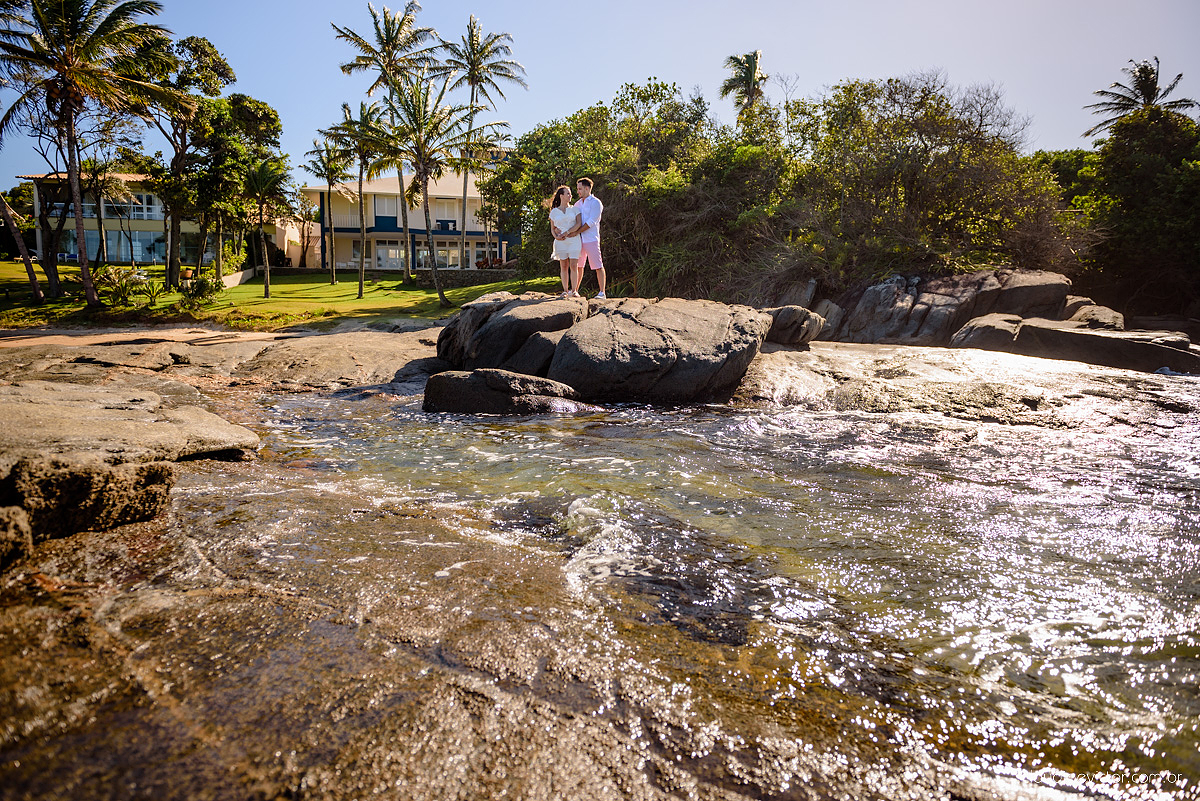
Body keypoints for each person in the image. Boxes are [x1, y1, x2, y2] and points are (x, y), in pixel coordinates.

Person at [557, 177, 605, 298]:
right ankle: (574, 291)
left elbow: (591, 222)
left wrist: (576, 231)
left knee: (598, 265)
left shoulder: (596, 202)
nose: (577, 191)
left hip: (591, 239)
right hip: (578, 240)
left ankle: (602, 292)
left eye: (579, 189)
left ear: (587, 188)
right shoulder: (578, 204)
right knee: (578, 266)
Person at [547, 185, 581, 297]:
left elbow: (578, 224)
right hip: (560, 242)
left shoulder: (575, 209)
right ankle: (565, 291)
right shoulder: (554, 212)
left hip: (574, 240)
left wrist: (568, 232)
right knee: (564, 266)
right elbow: (552, 229)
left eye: (570, 193)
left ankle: (574, 290)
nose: (570, 195)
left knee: (574, 265)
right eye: (568, 193)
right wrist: (556, 237)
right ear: (561, 196)